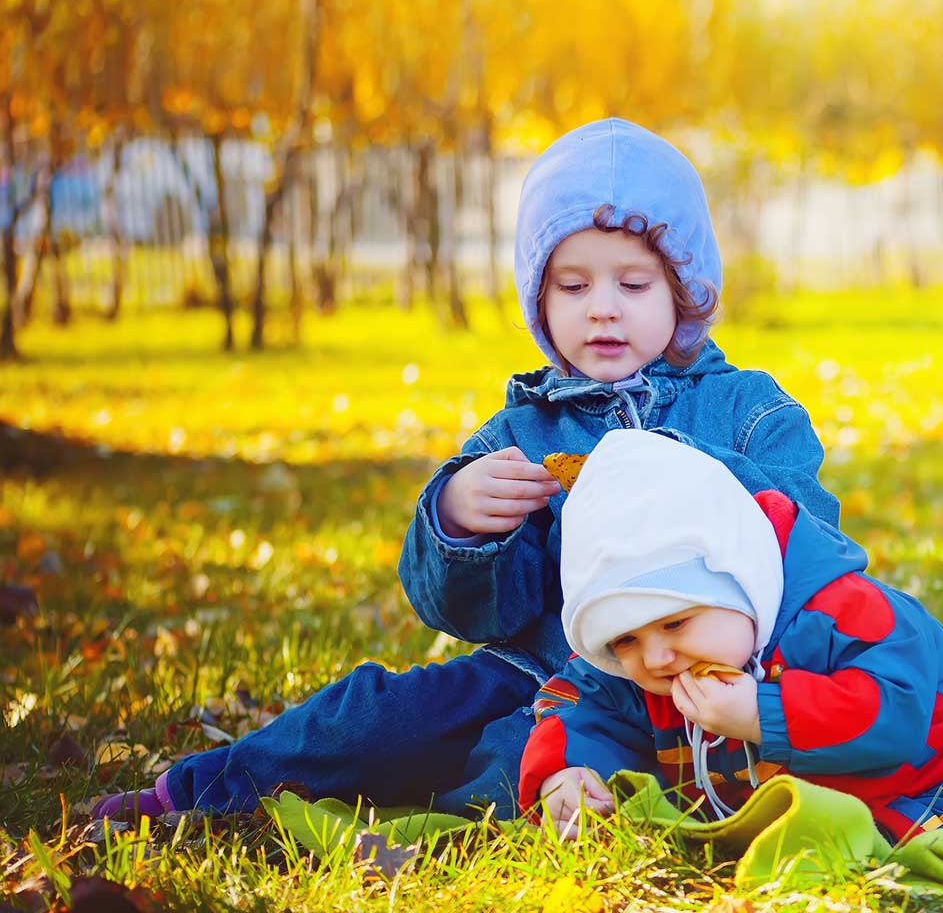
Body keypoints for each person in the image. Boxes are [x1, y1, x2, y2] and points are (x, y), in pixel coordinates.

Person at [93, 118, 838, 819]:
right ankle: (197, 795)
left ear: (683, 291)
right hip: (533, 667)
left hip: (701, 680)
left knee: (512, 761)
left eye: (633, 285)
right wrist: (457, 522)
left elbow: (808, 537)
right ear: (541, 302)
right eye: (573, 287)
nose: (602, 310)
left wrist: (679, 473)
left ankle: (496, 795)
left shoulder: (747, 409)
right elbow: (465, 609)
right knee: (379, 717)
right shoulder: (523, 432)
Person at [522, 430, 943, 841]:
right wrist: (563, 773)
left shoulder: (844, 611)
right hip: (786, 794)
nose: (657, 655)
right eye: (624, 641)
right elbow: (575, 701)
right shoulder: (641, 660)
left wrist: (762, 715)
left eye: (675, 623)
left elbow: (899, 715)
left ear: (738, 582)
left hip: (934, 765)